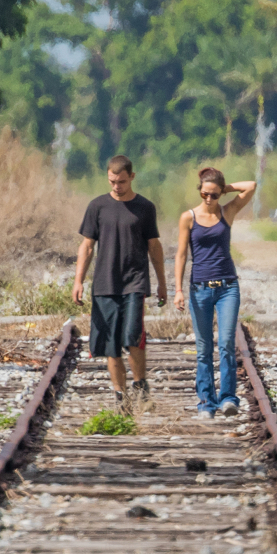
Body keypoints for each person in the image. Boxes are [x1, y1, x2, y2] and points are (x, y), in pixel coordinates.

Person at [72, 154, 167, 411]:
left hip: (134, 283)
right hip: (105, 284)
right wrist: (78, 280)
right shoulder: (97, 206)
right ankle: (120, 397)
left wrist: (162, 282)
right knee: (111, 345)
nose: (117, 186)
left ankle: (141, 387)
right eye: (112, 181)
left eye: (122, 181)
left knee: (133, 337)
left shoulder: (145, 208)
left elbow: (154, 247)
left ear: (132, 177)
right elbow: (87, 246)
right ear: (108, 177)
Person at [174, 166, 256, 419]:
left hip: (227, 287)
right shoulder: (187, 217)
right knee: (203, 348)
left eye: (214, 195)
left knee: (226, 344)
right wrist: (178, 290)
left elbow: (251, 185)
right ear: (199, 191)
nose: (209, 199)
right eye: (205, 194)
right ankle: (206, 403)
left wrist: (224, 188)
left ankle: (229, 398)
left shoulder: (226, 212)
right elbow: (181, 255)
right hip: (199, 289)